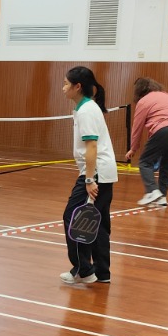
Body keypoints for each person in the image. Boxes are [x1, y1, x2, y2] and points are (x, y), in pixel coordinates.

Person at [61, 65, 116, 285]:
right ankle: (102, 273)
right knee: (98, 223)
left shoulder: (86, 111)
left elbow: (91, 146)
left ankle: (83, 270)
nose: (63, 88)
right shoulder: (85, 108)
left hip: (96, 173)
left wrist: (90, 180)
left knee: (73, 216)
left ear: (77, 86)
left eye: (66, 84)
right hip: (105, 172)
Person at [123, 77, 168, 208]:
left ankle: (152, 191)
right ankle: (162, 197)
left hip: (164, 129)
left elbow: (137, 127)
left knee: (144, 162)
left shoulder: (143, 101)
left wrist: (133, 148)